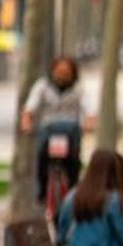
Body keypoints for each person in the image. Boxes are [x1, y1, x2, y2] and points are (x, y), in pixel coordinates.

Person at [22, 56, 90, 205]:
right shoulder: (42, 86)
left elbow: (88, 108)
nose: (62, 76)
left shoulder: (78, 88)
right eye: (59, 72)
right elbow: (30, 106)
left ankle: (73, 188)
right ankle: (42, 190)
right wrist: (27, 120)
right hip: (48, 128)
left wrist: (89, 121)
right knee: (41, 156)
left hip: (71, 129)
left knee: (74, 159)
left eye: (66, 73)